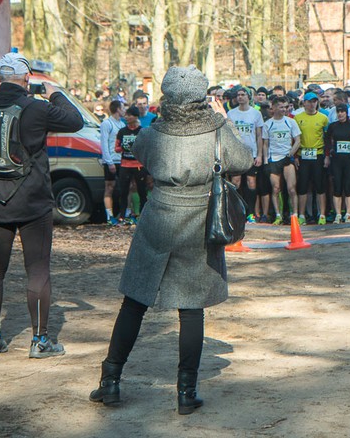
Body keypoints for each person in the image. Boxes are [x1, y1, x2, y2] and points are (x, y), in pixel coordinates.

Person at [89, 65, 252, 412]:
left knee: (134, 301)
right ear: (200, 96)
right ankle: (185, 392)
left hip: (159, 217)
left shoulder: (153, 132)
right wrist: (224, 122)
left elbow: (142, 157)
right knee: (191, 308)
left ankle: (110, 380)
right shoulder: (216, 131)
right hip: (198, 219)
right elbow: (243, 160)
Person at [0, 52, 84, 358]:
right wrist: (56, 93)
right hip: (32, 200)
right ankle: (40, 341)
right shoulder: (37, 107)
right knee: (37, 268)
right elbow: (75, 120)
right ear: (26, 79)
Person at [226, 86, 264, 222]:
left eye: (243, 94)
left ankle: (251, 212)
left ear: (249, 97)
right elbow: (228, 135)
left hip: (251, 153)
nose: (240, 97)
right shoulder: (231, 114)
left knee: (251, 182)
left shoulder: (256, 114)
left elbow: (259, 136)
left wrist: (259, 155)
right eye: (238, 95)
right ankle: (236, 212)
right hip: (236, 153)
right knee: (235, 181)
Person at [262, 96, 301, 224]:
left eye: (286, 107)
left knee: (291, 188)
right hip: (273, 158)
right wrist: (266, 160)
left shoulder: (290, 122)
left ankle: (294, 214)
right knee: (276, 188)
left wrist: (290, 153)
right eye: (281, 107)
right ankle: (278, 215)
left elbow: (298, 141)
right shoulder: (268, 124)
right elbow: (265, 143)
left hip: (287, 157)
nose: (284, 109)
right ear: (273, 108)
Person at [324, 103, 350, 223]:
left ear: (346, 112)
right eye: (338, 111)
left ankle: (348, 213)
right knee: (337, 185)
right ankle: (338, 214)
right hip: (336, 159)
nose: (340, 114)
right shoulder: (333, 126)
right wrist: (330, 150)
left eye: (342, 111)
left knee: (348, 185)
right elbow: (326, 139)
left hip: (349, 159)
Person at [294, 92, 329, 225]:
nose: (311, 104)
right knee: (303, 186)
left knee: (320, 186)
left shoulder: (323, 118)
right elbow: (295, 139)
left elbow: (327, 138)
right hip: (303, 156)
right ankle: (302, 214)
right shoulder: (297, 118)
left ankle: (322, 214)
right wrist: (296, 156)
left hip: (318, 155)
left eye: (314, 101)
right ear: (304, 103)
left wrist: (326, 156)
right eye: (309, 101)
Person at [114, 106, 148, 225]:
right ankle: (123, 215)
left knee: (141, 191)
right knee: (123, 191)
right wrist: (124, 147)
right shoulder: (122, 131)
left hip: (138, 165)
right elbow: (116, 148)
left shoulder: (142, 131)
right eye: (126, 115)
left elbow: (146, 148)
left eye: (129, 115)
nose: (127, 117)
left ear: (136, 117)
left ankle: (143, 215)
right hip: (125, 165)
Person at [99, 100, 126, 225]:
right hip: (111, 160)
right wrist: (109, 162)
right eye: (122, 108)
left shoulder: (121, 124)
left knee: (125, 188)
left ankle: (123, 214)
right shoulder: (106, 124)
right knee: (109, 187)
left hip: (122, 160)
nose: (124, 110)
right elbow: (104, 143)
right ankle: (109, 216)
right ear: (117, 109)